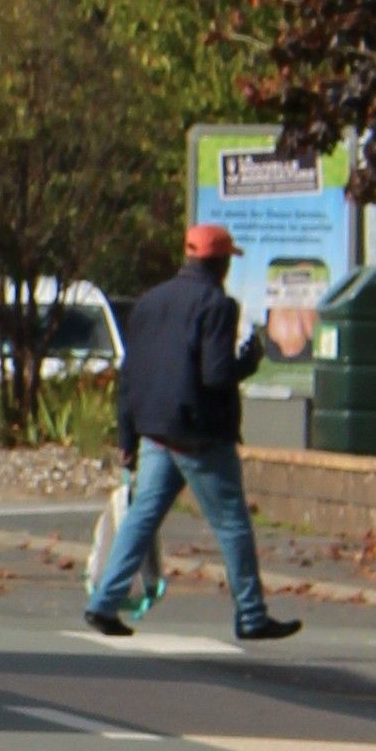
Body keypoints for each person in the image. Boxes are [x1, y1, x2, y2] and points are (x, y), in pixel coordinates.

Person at [86, 223, 301, 643]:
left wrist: (128, 438)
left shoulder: (149, 302)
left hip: (154, 433)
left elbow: (130, 376)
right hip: (201, 436)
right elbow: (216, 374)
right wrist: (248, 361)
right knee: (233, 524)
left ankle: (103, 603)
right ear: (220, 262)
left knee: (141, 519)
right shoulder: (217, 305)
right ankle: (252, 614)